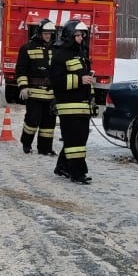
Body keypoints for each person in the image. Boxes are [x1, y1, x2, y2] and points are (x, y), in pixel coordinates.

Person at [50, 19, 95, 184]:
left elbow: (87, 78)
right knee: (75, 140)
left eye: (82, 34)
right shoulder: (60, 55)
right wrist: (79, 80)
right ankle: (77, 172)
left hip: (82, 104)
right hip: (68, 105)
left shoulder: (81, 54)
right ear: (69, 36)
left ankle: (62, 166)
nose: (81, 38)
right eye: (77, 35)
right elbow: (56, 81)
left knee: (78, 138)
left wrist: (91, 99)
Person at [15, 19, 58, 155]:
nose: (48, 36)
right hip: (33, 92)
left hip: (51, 93)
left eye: (50, 33)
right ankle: (26, 143)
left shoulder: (56, 49)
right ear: (39, 33)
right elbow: (21, 70)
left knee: (49, 124)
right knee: (32, 120)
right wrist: (23, 86)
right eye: (45, 33)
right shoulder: (27, 48)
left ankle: (45, 148)